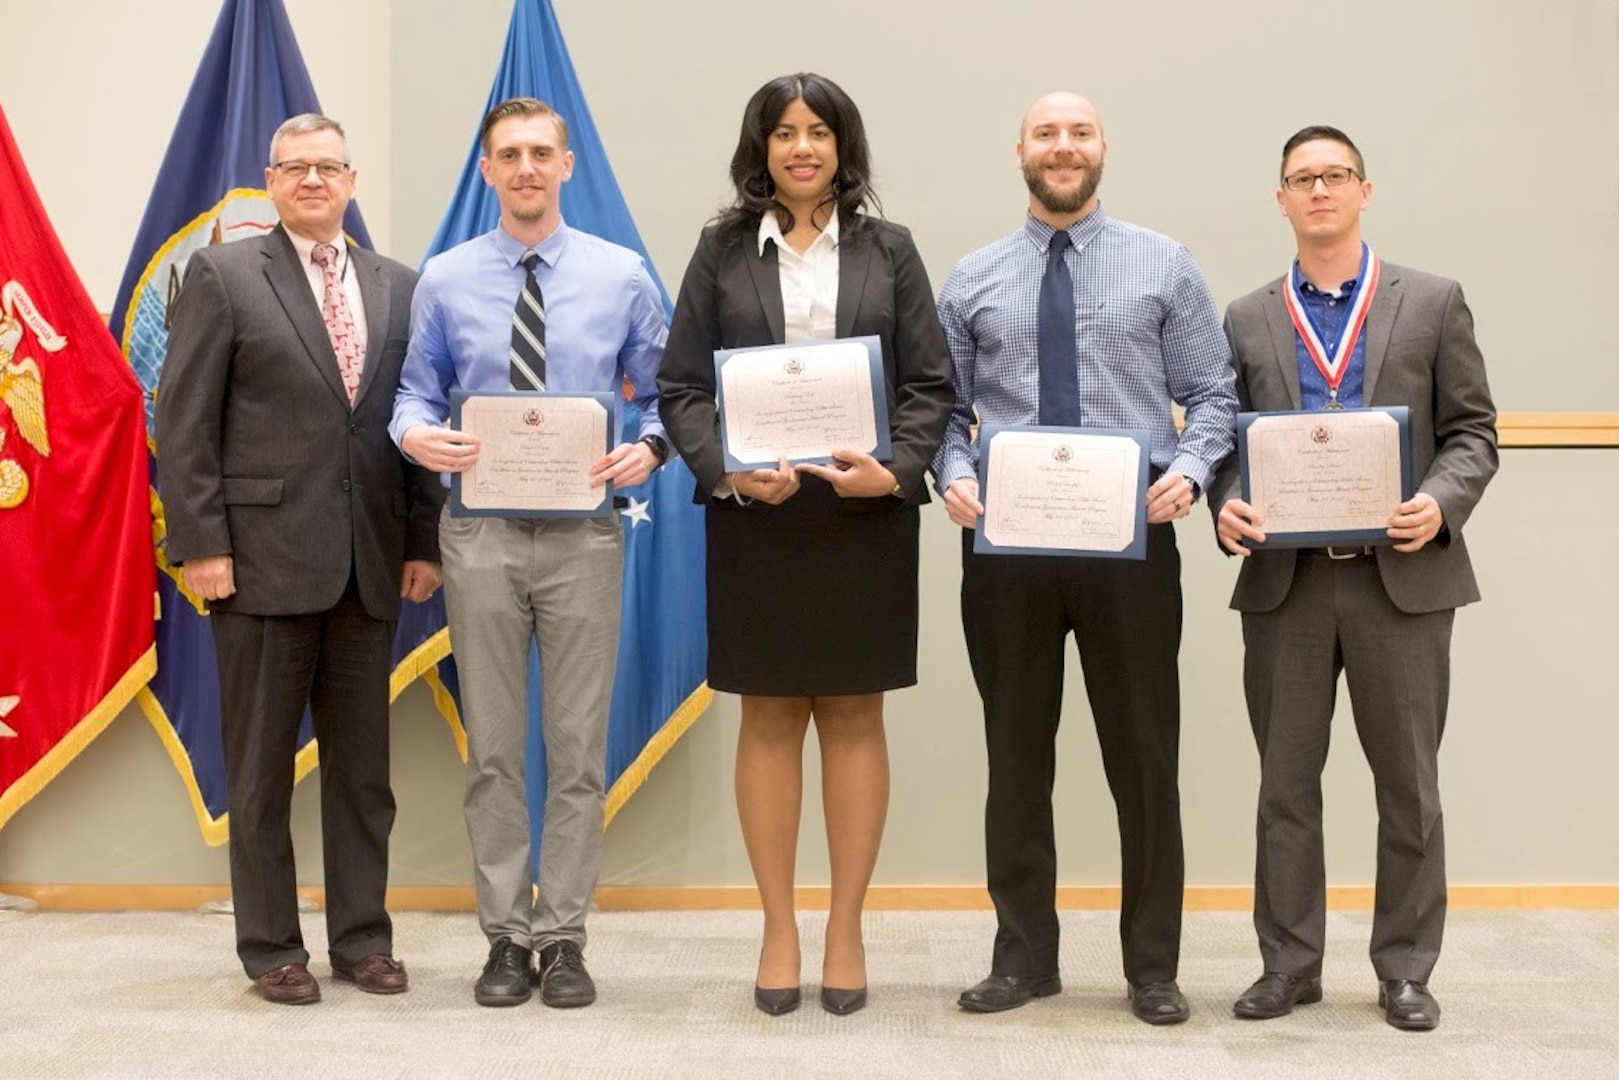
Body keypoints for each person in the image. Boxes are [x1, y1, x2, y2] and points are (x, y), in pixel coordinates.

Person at [931, 92, 1237, 1025]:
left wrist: (1188, 472)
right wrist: (950, 474)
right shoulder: (970, 278)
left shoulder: (1164, 265)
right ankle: (1024, 957)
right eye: (1045, 134)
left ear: (1102, 148)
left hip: (1131, 541)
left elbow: (1213, 395)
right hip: (1007, 549)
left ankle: (1151, 965)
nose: (1063, 147)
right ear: (1019, 150)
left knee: (1144, 757)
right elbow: (940, 411)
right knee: (1014, 753)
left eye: (1080, 133)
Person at [658, 72, 953, 1017]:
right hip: (759, 517)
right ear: (760, 149)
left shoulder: (890, 249)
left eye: (818, 132)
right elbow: (681, 390)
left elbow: (929, 386)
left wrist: (899, 472)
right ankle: (779, 925)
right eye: (783, 132)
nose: (801, 148)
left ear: (842, 146)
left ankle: (846, 927)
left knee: (855, 715)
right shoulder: (718, 251)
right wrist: (730, 472)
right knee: (772, 717)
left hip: (862, 515)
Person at [1211, 125, 1497, 1032]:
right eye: (1303, 179)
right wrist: (1224, 502)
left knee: (1408, 786)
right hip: (1286, 585)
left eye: (1335, 175)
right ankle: (1288, 965)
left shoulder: (1433, 301)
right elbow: (1225, 443)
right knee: (1283, 788)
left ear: (1364, 191)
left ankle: (1405, 968)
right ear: (1281, 199)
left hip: (1401, 582)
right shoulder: (1247, 316)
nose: (1319, 190)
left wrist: (1440, 503)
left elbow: (1473, 433)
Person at [156, 113, 443, 1005]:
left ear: (352, 180)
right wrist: (201, 543)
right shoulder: (225, 274)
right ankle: (272, 947)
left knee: (363, 773)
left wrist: (424, 540)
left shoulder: (399, 285)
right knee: (261, 769)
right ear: (271, 182)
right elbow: (183, 419)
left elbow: (419, 417)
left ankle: (363, 940)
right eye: (295, 168)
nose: (313, 180)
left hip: (371, 564)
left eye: (328, 167)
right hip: (259, 562)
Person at [390, 97, 667, 1009]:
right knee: (496, 750)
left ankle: (566, 937)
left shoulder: (621, 275)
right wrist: (416, 438)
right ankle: (506, 936)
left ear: (567, 164)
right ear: (486, 170)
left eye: (541, 153)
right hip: (481, 533)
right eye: (508, 155)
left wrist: (651, 449)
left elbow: (669, 397)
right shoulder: (445, 279)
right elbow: (412, 399)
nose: (525, 169)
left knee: (578, 746)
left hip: (586, 532)